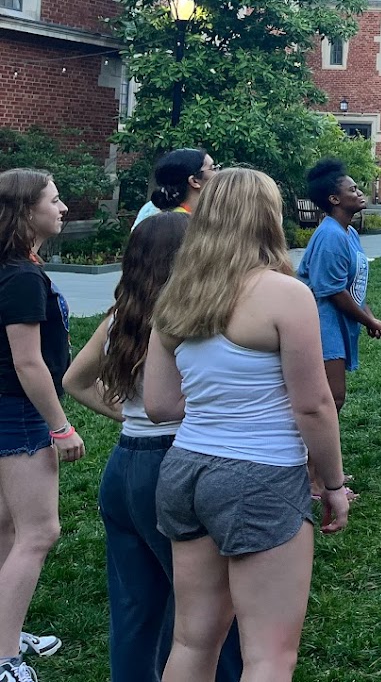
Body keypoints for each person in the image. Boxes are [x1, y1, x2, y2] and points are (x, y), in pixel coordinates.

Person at [143, 168, 349, 682]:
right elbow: (313, 406)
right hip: (261, 474)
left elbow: (159, 405)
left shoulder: (176, 295)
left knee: (192, 640)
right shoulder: (285, 294)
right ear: (268, 217)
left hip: (186, 470)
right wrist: (334, 484)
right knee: (270, 655)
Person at [62, 213, 243, 682]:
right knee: (209, 607)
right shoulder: (194, 320)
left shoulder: (120, 318)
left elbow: (74, 380)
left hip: (125, 464)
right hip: (176, 461)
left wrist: (131, 416)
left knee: (134, 609)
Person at [0, 170, 84, 682]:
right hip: (19, 412)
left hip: (6, 407)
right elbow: (28, 362)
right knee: (39, 531)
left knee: (8, 527)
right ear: (26, 211)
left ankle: (4, 632)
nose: (63, 207)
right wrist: (60, 426)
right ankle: (5, 658)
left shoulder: (14, 268)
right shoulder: (22, 276)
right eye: (54, 200)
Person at [296, 160, 381, 416]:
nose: (360, 193)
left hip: (336, 322)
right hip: (322, 324)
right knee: (330, 398)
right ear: (334, 199)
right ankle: (310, 442)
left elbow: (352, 284)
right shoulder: (330, 236)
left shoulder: (349, 233)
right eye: (353, 189)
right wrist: (368, 322)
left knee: (329, 398)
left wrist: (369, 316)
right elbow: (335, 292)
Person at [132, 149, 216, 230]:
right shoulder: (176, 226)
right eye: (212, 168)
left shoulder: (203, 214)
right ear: (194, 181)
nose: (218, 174)